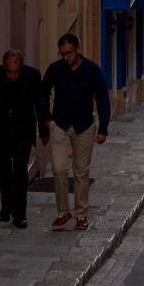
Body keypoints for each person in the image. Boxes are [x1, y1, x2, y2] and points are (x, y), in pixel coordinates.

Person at [42, 33, 110, 232]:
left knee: (81, 172)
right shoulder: (54, 69)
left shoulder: (92, 70)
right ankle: (63, 211)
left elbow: (102, 98)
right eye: (62, 54)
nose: (66, 57)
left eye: (69, 53)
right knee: (59, 168)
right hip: (60, 124)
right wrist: (48, 120)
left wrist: (103, 128)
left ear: (78, 49)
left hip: (84, 126)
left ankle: (81, 214)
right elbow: (43, 94)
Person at [0, 49, 46, 229]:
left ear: (22, 67)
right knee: (3, 173)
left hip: (23, 132)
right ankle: (6, 206)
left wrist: (43, 132)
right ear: (3, 67)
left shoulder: (32, 75)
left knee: (21, 172)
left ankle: (20, 214)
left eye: (16, 72)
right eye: (9, 72)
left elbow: (39, 103)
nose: (13, 76)